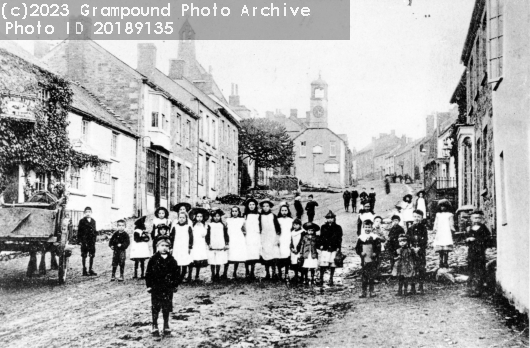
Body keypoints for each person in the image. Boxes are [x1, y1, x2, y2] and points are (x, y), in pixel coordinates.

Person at [145, 236, 179, 337]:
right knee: (155, 306)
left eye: (166, 246)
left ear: (169, 248)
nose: (164, 247)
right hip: (156, 288)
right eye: (162, 245)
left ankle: (166, 324)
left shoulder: (172, 260)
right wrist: (149, 285)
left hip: (168, 287)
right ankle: (154, 325)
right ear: (157, 247)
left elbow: (176, 273)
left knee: (166, 306)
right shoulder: (153, 259)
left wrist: (175, 285)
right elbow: (148, 273)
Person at [464, 210, 491, 297]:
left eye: (479, 218)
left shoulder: (484, 228)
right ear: (471, 219)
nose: (477, 219)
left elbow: (488, 240)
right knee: (471, 269)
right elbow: (466, 238)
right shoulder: (469, 228)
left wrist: (476, 240)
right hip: (471, 252)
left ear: (482, 219)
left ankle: (478, 290)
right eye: (475, 218)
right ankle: (470, 289)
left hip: (480, 252)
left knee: (479, 270)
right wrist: (467, 240)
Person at [355, 219, 381, 298]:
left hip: (372, 259)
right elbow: (357, 248)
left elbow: (378, 247)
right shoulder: (361, 238)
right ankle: (363, 291)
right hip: (364, 259)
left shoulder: (375, 237)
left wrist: (375, 253)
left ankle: (371, 291)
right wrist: (360, 253)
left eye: (369, 227)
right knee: (364, 276)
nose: (367, 229)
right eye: (365, 227)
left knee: (372, 275)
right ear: (363, 228)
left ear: (371, 228)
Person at [318, 211, 343, 286]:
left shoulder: (338, 227)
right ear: (326, 219)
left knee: (333, 263)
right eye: (328, 218)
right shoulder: (323, 227)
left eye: (331, 218)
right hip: (325, 247)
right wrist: (321, 244)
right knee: (323, 263)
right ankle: (321, 278)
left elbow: (339, 238)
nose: (330, 220)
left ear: (334, 218)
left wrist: (339, 247)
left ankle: (331, 278)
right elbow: (321, 237)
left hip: (334, 247)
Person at [407, 210, 428, 294]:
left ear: (421, 218)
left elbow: (425, 240)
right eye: (415, 216)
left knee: (421, 268)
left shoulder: (423, 228)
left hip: (420, 251)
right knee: (412, 268)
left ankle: (421, 286)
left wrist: (419, 247)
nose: (416, 218)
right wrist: (411, 247)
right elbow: (407, 239)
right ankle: (412, 287)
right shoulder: (410, 228)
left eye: (418, 217)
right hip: (412, 250)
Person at [259, 200, 281, 280]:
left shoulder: (273, 216)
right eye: (263, 206)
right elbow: (259, 228)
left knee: (273, 255)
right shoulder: (260, 216)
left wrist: (277, 238)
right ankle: (267, 273)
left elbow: (278, 228)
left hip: (272, 237)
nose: (265, 208)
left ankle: (274, 273)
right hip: (264, 237)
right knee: (266, 255)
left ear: (270, 207)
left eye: (267, 206)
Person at [206, 209, 229, 281]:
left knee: (218, 260)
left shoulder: (222, 225)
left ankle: (217, 274)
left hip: (220, 244)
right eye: (215, 216)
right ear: (212, 217)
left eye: (218, 216)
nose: (216, 218)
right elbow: (207, 235)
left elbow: (226, 235)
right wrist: (208, 243)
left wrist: (226, 243)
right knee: (212, 260)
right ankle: (213, 274)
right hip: (212, 244)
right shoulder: (209, 225)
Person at [171, 212, 193, 283]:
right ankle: (177, 276)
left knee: (184, 262)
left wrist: (190, 246)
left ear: (186, 218)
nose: (182, 219)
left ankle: (183, 276)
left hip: (184, 247)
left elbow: (191, 237)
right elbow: (172, 237)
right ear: (178, 218)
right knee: (177, 261)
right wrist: (171, 247)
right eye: (180, 217)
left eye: (183, 218)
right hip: (177, 247)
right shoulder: (175, 227)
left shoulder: (188, 227)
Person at [189, 208, 209, 282]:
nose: (199, 218)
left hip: (201, 244)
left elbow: (204, 234)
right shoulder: (192, 225)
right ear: (195, 217)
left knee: (199, 260)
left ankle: (197, 275)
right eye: (198, 216)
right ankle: (189, 275)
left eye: (201, 217)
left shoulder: (204, 225)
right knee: (192, 259)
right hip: (194, 243)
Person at [226, 206, 247, 279]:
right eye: (233, 211)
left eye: (236, 211)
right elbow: (226, 230)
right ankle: (225, 273)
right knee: (229, 256)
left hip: (238, 239)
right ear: (231, 212)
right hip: (231, 239)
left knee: (236, 256)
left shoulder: (241, 220)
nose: (234, 213)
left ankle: (235, 272)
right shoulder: (228, 220)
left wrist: (242, 237)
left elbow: (244, 230)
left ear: (238, 212)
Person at [433, 200, 455, 268]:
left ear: (447, 207)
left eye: (444, 206)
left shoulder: (450, 214)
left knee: (446, 248)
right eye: (441, 206)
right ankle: (440, 261)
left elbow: (451, 223)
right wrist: (435, 228)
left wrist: (452, 228)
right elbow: (436, 222)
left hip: (446, 231)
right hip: (440, 232)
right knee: (440, 248)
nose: (443, 208)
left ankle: (445, 261)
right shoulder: (438, 214)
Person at [243, 198, 261, 280]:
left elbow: (260, 226)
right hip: (248, 236)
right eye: (250, 205)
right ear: (247, 206)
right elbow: (242, 226)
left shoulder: (258, 215)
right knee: (247, 253)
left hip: (255, 236)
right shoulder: (245, 215)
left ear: (255, 206)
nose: (251, 206)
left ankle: (252, 272)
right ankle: (247, 271)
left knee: (254, 253)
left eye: (253, 204)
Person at [78, 206, 98, 276]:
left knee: (92, 255)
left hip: (91, 241)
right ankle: (84, 270)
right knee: (84, 255)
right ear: (84, 213)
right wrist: (80, 240)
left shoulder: (93, 221)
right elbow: (79, 232)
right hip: (84, 241)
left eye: (89, 212)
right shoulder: (82, 221)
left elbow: (95, 231)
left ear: (91, 213)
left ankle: (90, 269)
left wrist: (94, 239)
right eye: (86, 212)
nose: (88, 213)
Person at [277, 204, 294, 281]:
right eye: (282, 210)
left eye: (285, 210)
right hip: (280, 239)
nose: (284, 212)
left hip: (288, 239)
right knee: (279, 256)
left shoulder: (291, 220)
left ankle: (286, 273)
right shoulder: (277, 220)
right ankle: (280, 273)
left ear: (288, 211)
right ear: (280, 211)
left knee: (287, 256)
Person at [289, 218, 305, 283]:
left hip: (299, 250)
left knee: (300, 263)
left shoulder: (302, 232)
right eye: (294, 225)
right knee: (294, 263)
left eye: (297, 225)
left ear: (300, 225)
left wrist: (298, 249)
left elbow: (302, 241)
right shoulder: (292, 232)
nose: (295, 226)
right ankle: (296, 275)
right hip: (293, 250)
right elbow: (291, 241)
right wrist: (292, 248)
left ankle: (302, 276)